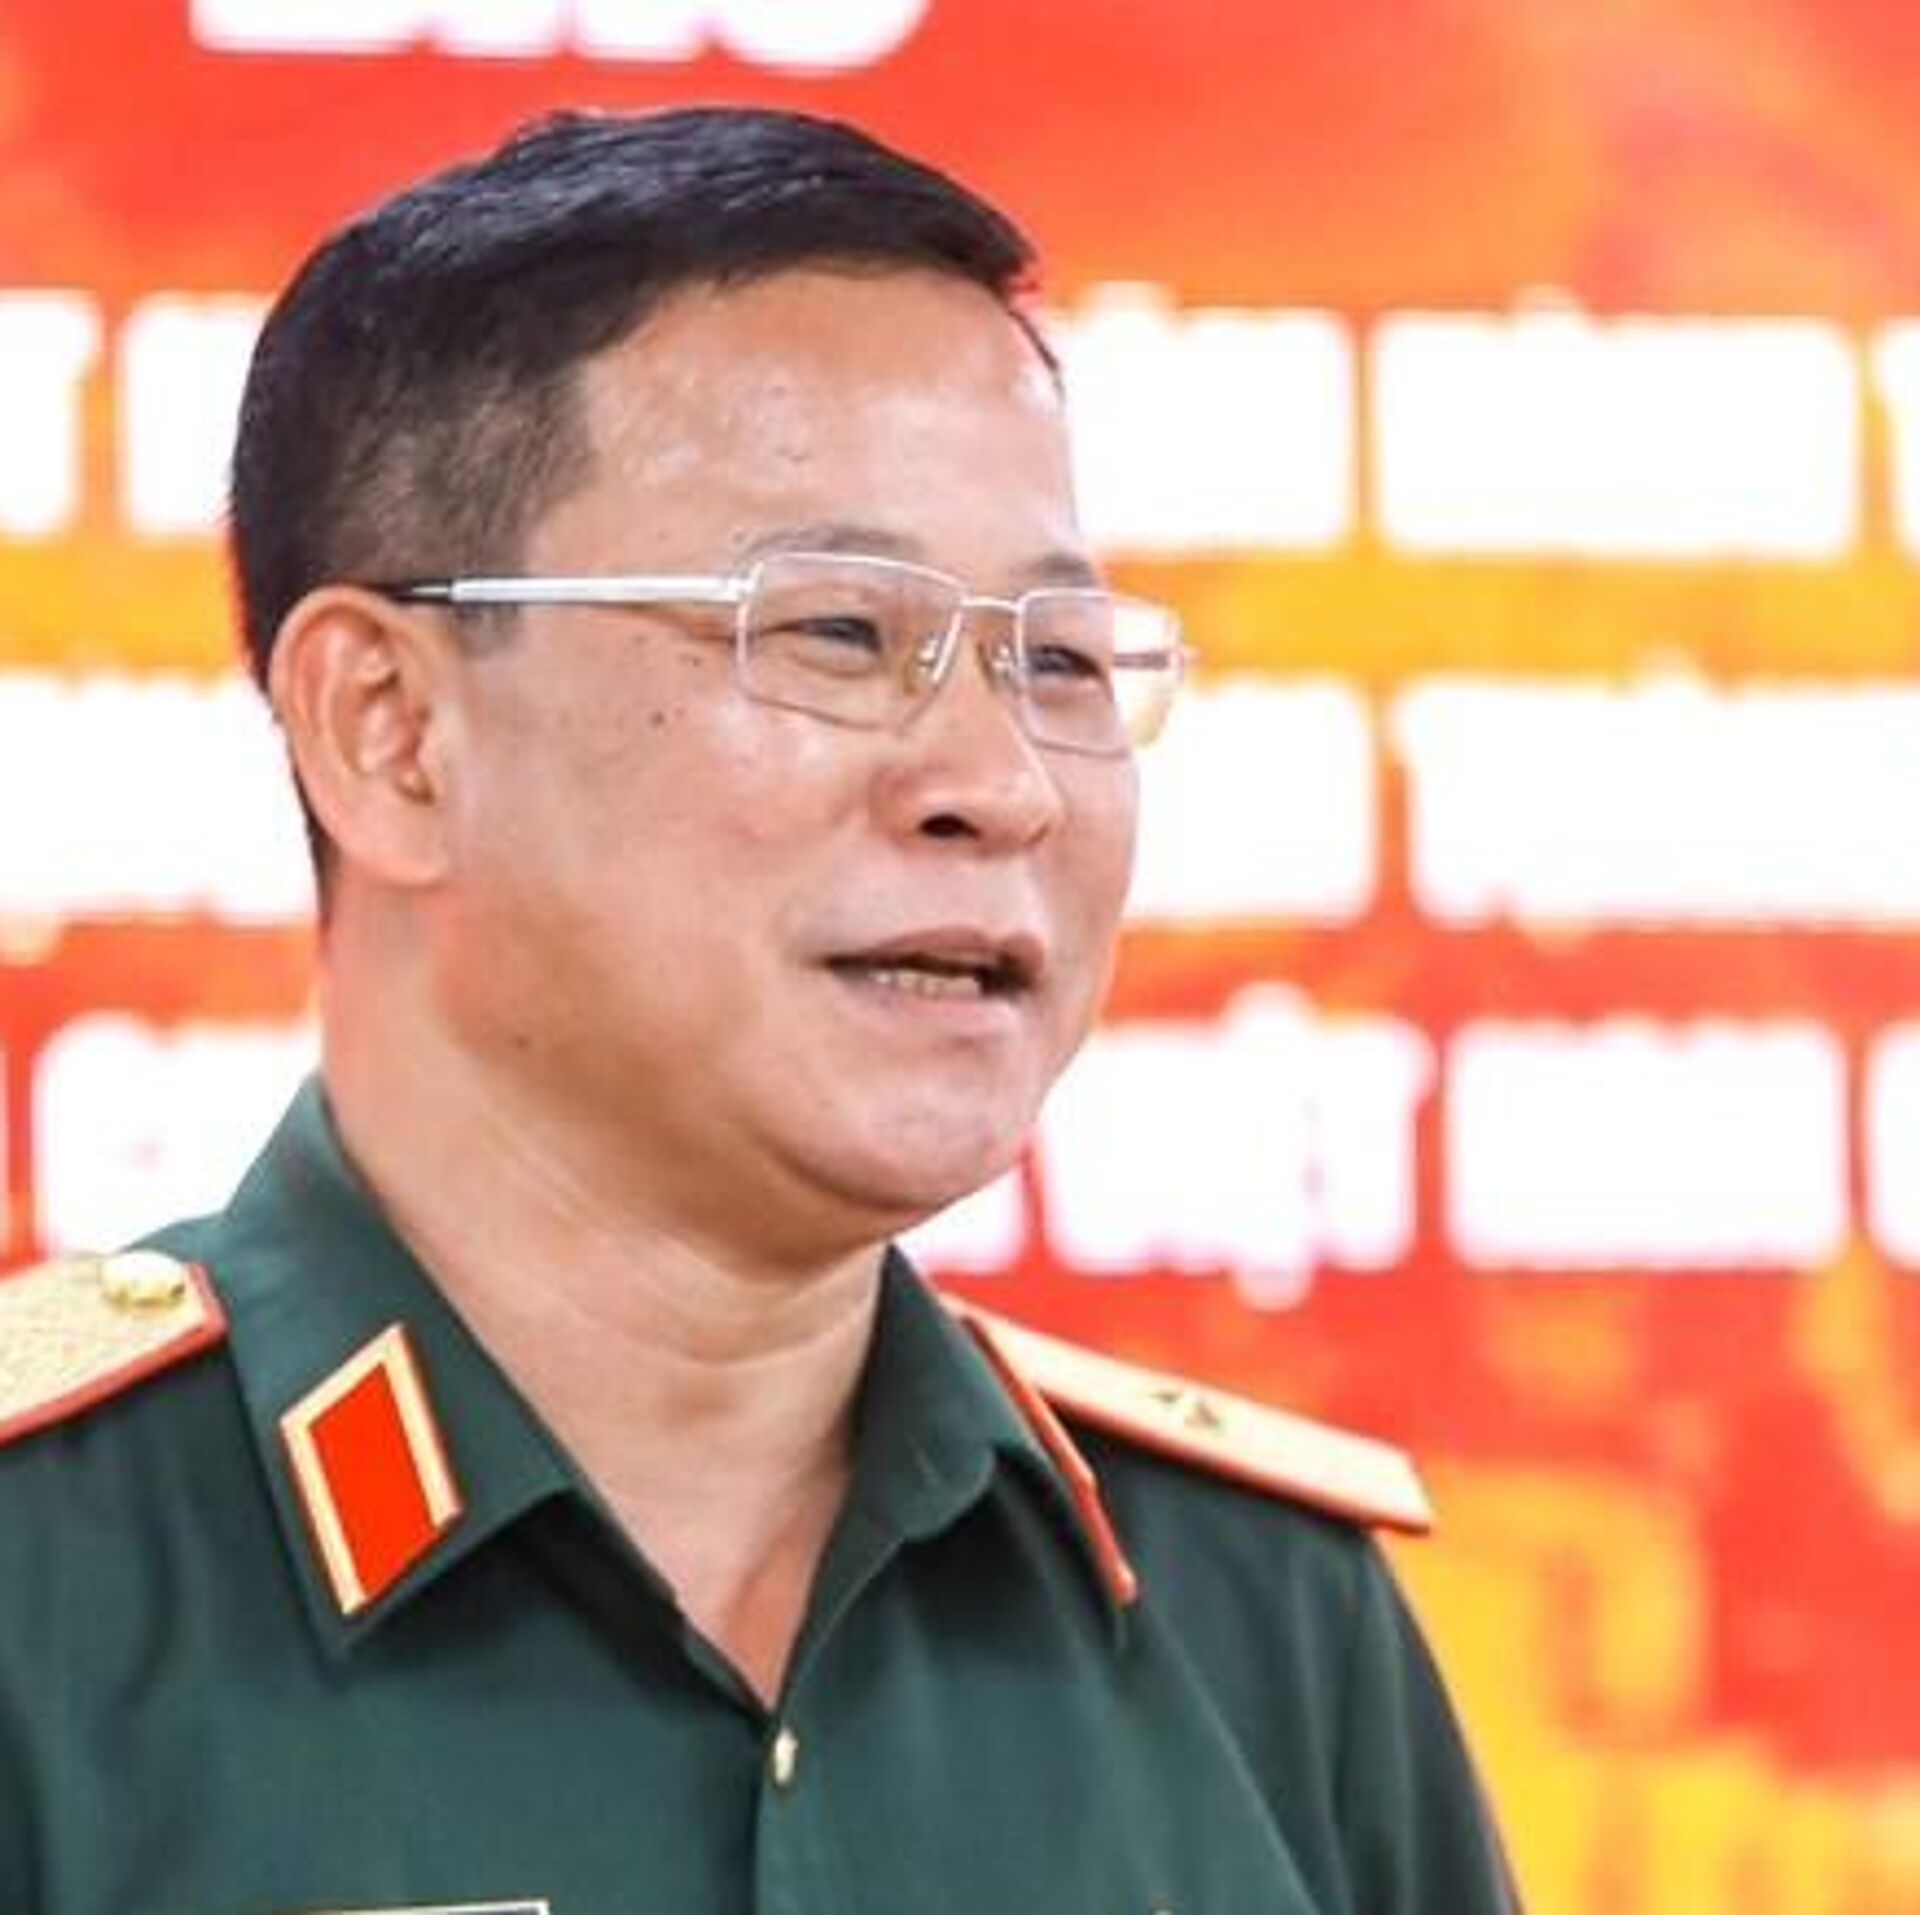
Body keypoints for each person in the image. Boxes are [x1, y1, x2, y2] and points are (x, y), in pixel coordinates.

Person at [0, 106, 1518, 1913]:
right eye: (834, 634)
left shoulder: (1260, 1618)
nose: (1001, 784)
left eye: (1055, 659)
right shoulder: (44, 1587)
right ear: (391, 734)